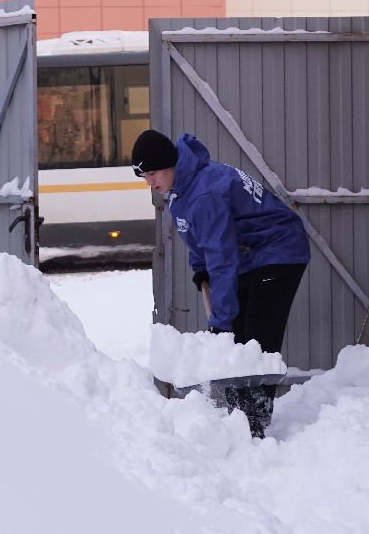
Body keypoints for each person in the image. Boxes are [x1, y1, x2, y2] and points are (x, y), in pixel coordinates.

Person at [132, 129, 309, 437]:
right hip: (251, 255)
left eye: (154, 172)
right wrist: (200, 270)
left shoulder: (203, 193)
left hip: (279, 250)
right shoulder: (180, 189)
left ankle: (254, 424)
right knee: (237, 335)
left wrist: (220, 322)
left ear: (170, 163)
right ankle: (238, 418)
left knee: (255, 340)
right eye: (145, 176)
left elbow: (223, 259)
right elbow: (201, 242)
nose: (151, 182)